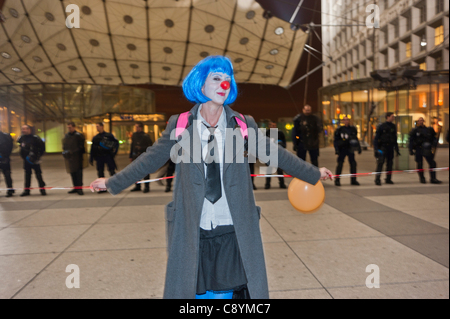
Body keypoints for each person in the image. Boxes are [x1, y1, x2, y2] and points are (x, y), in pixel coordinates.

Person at [90, 55, 333, 299]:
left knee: (225, 292)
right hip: (193, 226)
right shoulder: (181, 123)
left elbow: (275, 153)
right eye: (216, 78)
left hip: (231, 225)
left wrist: (313, 173)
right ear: (201, 84)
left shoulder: (241, 124)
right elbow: (150, 159)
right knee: (194, 291)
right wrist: (112, 182)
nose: (224, 85)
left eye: (228, 80)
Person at [408, 117, 442, 184]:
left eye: (421, 120)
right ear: (418, 122)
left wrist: (434, 143)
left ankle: (433, 178)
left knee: (432, 163)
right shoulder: (415, 130)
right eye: (419, 120)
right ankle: (422, 178)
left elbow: (434, 138)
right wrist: (410, 149)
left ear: (423, 121)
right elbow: (411, 140)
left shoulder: (429, 130)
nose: (420, 121)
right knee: (420, 164)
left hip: (427, 149)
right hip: (418, 148)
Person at [17, 125, 46, 196]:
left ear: (29, 130)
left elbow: (42, 148)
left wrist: (38, 156)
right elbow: (20, 147)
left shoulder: (35, 138)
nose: (23, 130)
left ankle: (42, 189)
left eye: (25, 129)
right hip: (26, 160)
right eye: (22, 129)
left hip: (35, 160)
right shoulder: (21, 138)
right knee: (27, 175)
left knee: (38, 175)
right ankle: (27, 190)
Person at [90, 122, 118, 192]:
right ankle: (102, 187)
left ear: (102, 127)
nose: (97, 128)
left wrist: (114, 152)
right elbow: (92, 148)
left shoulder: (109, 135)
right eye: (96, 126)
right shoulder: (96, 137)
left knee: (112, 171)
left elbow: (116, 143)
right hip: (99, 156)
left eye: (98, 126)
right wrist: (91, 158)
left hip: (108, 155)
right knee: (100, 172)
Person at [373, 112, 400, 186]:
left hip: (390, 147)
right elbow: (376, 138)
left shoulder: (393, 126)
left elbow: (395, 138)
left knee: (390, 164)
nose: (393, 118)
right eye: (392, 116)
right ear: (387, 117)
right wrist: (376, 149)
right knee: (380, 163)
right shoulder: (381, 126)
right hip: (383, 147)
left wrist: (396, 149)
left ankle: (388, 178)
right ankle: (377, 179)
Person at [333, 116, 361, 186]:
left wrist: (358, 147)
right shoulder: (340, 129)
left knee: (353, 164)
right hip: (342, 148)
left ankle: (353, 180)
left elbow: (356, 138)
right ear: (343, 121)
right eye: (345, 120)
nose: (346, 121)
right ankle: (337, 180)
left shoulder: (353, 129)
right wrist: (336, 149)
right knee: (340, 164)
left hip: (350, 148)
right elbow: (336, 140)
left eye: (347, 120)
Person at [129, 122, 153, 193]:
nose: (136, 128)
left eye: (137, 127)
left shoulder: (146, 136)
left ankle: (146, 186)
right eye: (135, 127)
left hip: (143, 155)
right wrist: (131, 156)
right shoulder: (134, 135)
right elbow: (132, 145)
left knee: (145, 172)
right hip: (135, 155)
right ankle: (137, 186)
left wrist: (141, 148)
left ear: (140, 127)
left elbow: (150, 146)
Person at [62, 122, 86, 195]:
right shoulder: (67, 136)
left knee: (78, 173)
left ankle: (79, 188)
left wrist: (74, 151)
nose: (69, 129)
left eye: (70, 127)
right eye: (68, 127)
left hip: (78, 157)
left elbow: (82, 147)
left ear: (74, 127)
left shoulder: (78, 136)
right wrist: (65, 152)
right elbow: (65, 145)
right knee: (72, 173)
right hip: (70, 157)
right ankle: (75, 187)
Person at [265, 121, 287, 189]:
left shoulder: (280, 133)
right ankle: (267, 184)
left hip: (278, 154)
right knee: (269, 170)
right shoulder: (267, 133)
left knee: (280, 170)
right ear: (269, 126)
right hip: (269, 155)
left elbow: (284, 142)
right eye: (272, 125)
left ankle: (282, 183)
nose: (273, 127)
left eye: (275, 125)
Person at [0, 123, 14, 197]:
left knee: (7, 175)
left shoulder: (6, 136)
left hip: (4, 159)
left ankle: (10, 189)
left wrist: (5, 155)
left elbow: (10, 147)